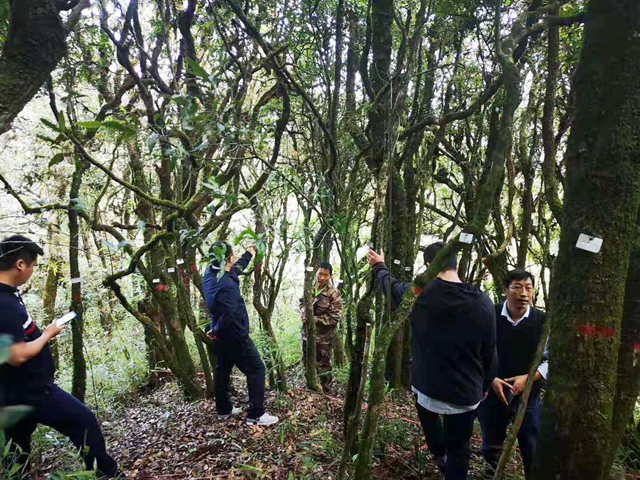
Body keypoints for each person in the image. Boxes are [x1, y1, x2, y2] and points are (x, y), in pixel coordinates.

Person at [368, 242, 496, 480]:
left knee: (434, 432)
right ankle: (449, 466)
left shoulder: (419, 294)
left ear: (429, 266)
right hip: (466, 393)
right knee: (459, 449)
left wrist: (379, 266)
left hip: (427, 390)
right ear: (457, 265)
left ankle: (440, 457)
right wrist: (485, 385)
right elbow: (490, 352)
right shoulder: (483, 302)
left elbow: (390, 287)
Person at [0, 235, 122, 478]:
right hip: (31, 391)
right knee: (83, 421)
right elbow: (16, 355)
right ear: (20, 264)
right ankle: (108, 475)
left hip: (12, 392)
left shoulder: (9, 295)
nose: (32, 271)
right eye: (33, 265)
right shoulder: (3, 303)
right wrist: (48, 334)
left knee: (16, 449)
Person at [477, 269, 547, 479]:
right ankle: (492, 475)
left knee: (532, 446)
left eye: (528, 288)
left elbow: (552, 359)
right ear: (505, 289)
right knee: (491, 446)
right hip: (492, 395)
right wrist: (491, 379)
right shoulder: (489, 315)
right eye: (517, 287)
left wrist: (529, 378)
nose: (524, 293)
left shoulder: (543, 322)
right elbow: (475, 352)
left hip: (528, 396)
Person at [203, 241, 278, 426]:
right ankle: (256, 415)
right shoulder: (226, 285)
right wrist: (217, 329)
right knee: (257, 369)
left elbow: (235, 269)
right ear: (229, 258)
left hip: (220, 334)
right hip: (234, 334)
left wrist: (249, 253)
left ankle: (223, 409)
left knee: (223, 369)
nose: (234, 258)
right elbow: (229, 316)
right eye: (233, 255)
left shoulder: (211, 273)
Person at [300, 262, 343, 393]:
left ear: (330, 276)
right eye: (320, 274)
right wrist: (303, 312)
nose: (322, 277)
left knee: (323, 365)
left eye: (325, 275)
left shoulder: (334, 293)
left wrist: (314, 319)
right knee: (307, 360)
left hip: (324, 337)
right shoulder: (310, 288)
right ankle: (311, 387)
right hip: (307, 334)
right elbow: (302, 302)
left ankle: (325, 391)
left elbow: (335, 317)